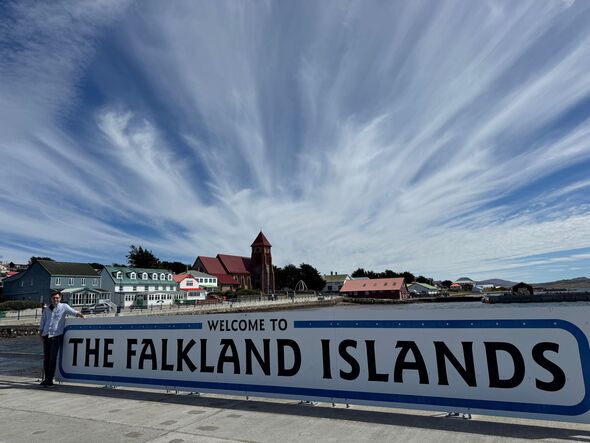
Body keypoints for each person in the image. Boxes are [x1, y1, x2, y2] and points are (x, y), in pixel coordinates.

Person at [39, 292, 85, 387]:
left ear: (60, 298)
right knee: (46, 359)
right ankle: (46, 379)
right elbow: (43, 321)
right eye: (54, 298)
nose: (55, 299)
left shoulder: (64, 306)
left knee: (53, 358)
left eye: (57, 298)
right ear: (51, 299)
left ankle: (50, 380)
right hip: (46, 335)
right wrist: (41, 332)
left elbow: (73, 312)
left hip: (56, 336)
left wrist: (81, 315)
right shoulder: (46, 309)